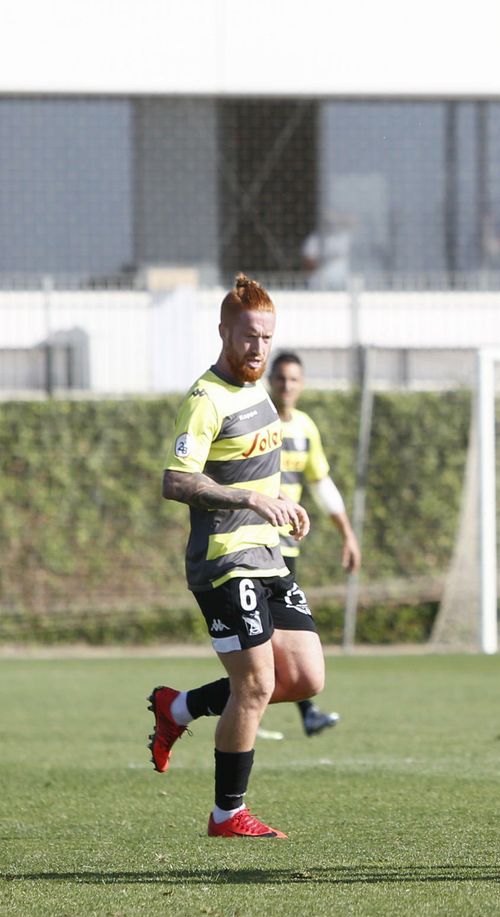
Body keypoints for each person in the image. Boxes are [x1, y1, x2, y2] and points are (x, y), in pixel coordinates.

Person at [147, 274, 326, 838]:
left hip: (269, 555)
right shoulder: (205, 400)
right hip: (223, 561)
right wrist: (249, 498)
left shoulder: (258, 392)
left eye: (267, 338)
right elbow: (176, 481)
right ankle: (228, 814)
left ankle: (178, 710)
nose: (258, 349)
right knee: (255, 686)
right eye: (249, 336)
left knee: (304, 677)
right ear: (223, 331)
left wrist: (283, 506)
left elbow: (259, 467)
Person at [266, 351, 362, 736]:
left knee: (279, 635)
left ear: (301, 385)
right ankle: (251, 705)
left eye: (293, 379)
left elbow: (322, 485)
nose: (286, 386)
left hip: (286, 549)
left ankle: (295, 710)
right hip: (253, 544)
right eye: (281, 379)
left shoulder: (305, 428)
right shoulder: (256, 420)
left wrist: (348, 535)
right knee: (268, 635)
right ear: (270, 381)